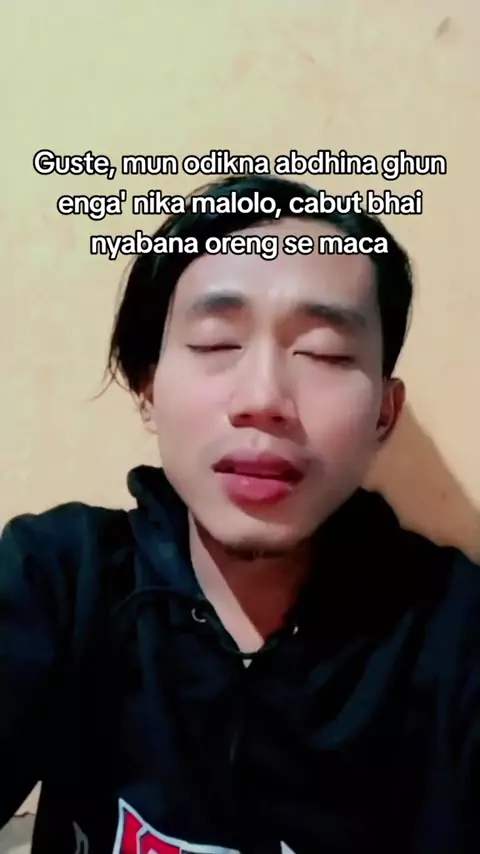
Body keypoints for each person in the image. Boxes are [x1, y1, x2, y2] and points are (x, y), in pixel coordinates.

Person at [0, 174, 479, 854]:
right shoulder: (58, 582)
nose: (263, 398)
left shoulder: (457, 636)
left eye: (324, 351)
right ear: (148, 389)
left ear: (384, 413)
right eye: (216, 343)